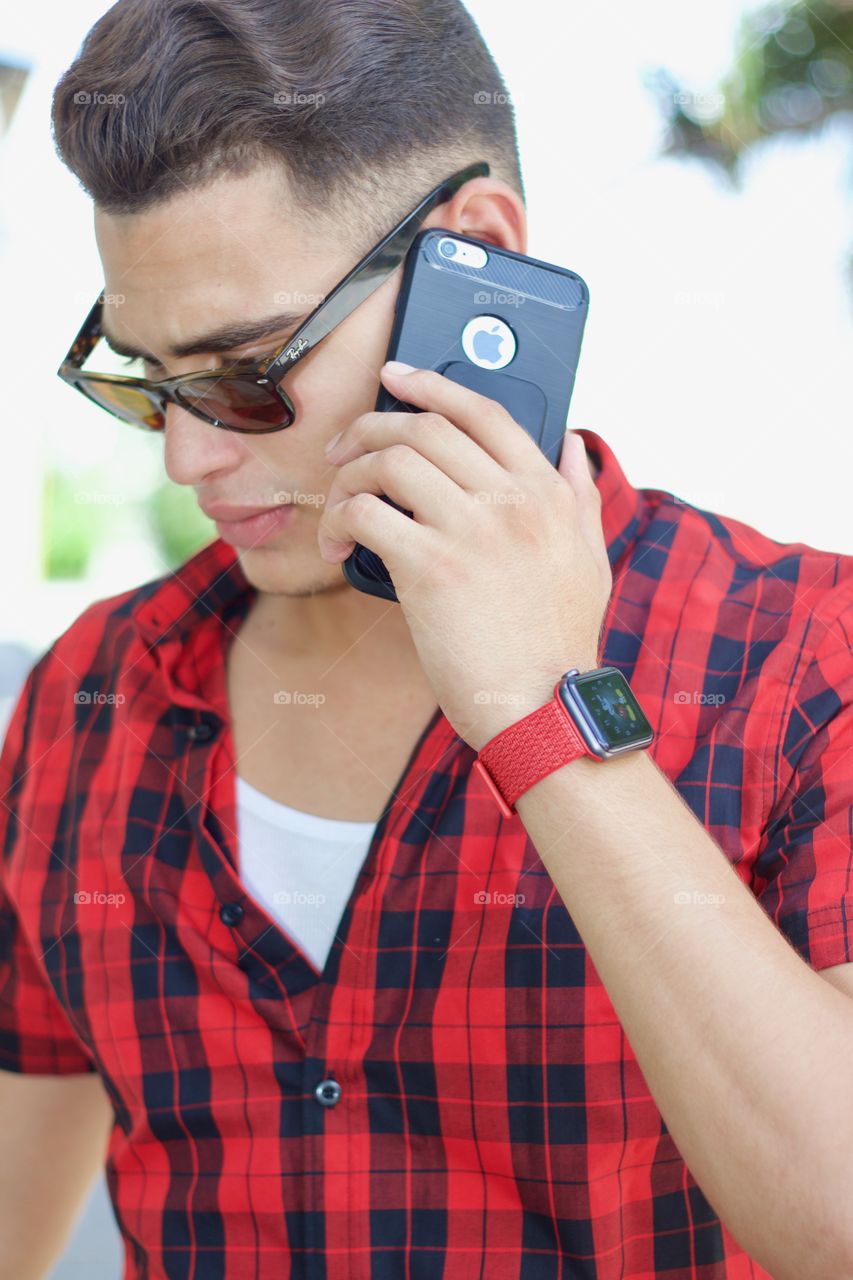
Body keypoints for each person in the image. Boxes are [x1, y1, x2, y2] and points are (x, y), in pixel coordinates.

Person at [2, 2, 852, 1277]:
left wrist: (543, 703)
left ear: (476, 257)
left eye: (245, 372)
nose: (191, 456)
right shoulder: (88, 695)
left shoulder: (804, 660)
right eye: (148, 382)